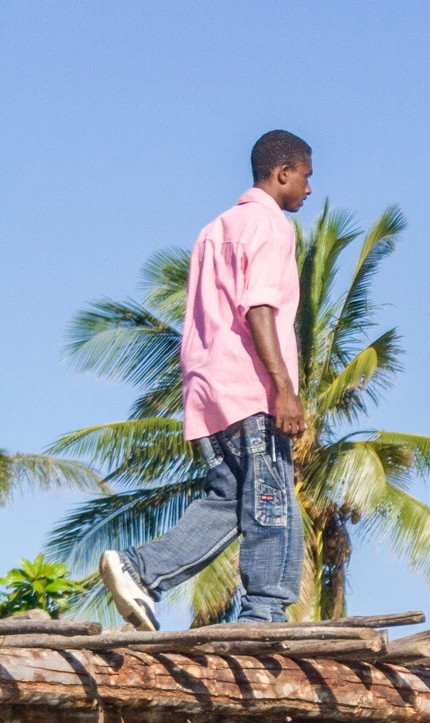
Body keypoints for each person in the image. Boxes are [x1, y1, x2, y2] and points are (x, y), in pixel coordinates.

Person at [100, 130, 315, 630]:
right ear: (282, 173)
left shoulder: (214, 229)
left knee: (229, 501)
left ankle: (140, 569)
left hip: (207, 391)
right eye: (305, 176)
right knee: (271, 501)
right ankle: (264, 611)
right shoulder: (271, 226)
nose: (308, 188)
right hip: (250, 389)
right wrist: (284, 387)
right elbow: (259, 308)